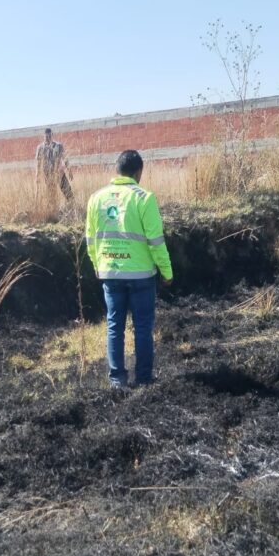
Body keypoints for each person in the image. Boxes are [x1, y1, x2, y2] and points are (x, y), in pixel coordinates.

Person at [85, 149, 173, 388]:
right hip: (141, 276)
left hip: (110, 272)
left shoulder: (96, 198)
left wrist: (97, 264)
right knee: (142, 327)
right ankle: (143, 379)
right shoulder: (144, 198)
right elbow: (156, 241)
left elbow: (90, 239)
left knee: (115, 325)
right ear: (138, 172)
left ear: (117, 170)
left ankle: (117, 380)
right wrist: (167, 273)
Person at [35, 127, 73, 204]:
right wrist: (37, 176)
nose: (48, 138)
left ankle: (72, 206)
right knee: (51, 197)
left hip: (60, 174)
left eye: (49, 136)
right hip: (48, 176)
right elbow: (38, 164)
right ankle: (54, 210)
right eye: (46, 136)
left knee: (68, 193)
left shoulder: (59, 146)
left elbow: (65, 159)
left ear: (52, 135)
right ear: (44, 136)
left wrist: (69, 171)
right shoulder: (40, 148)